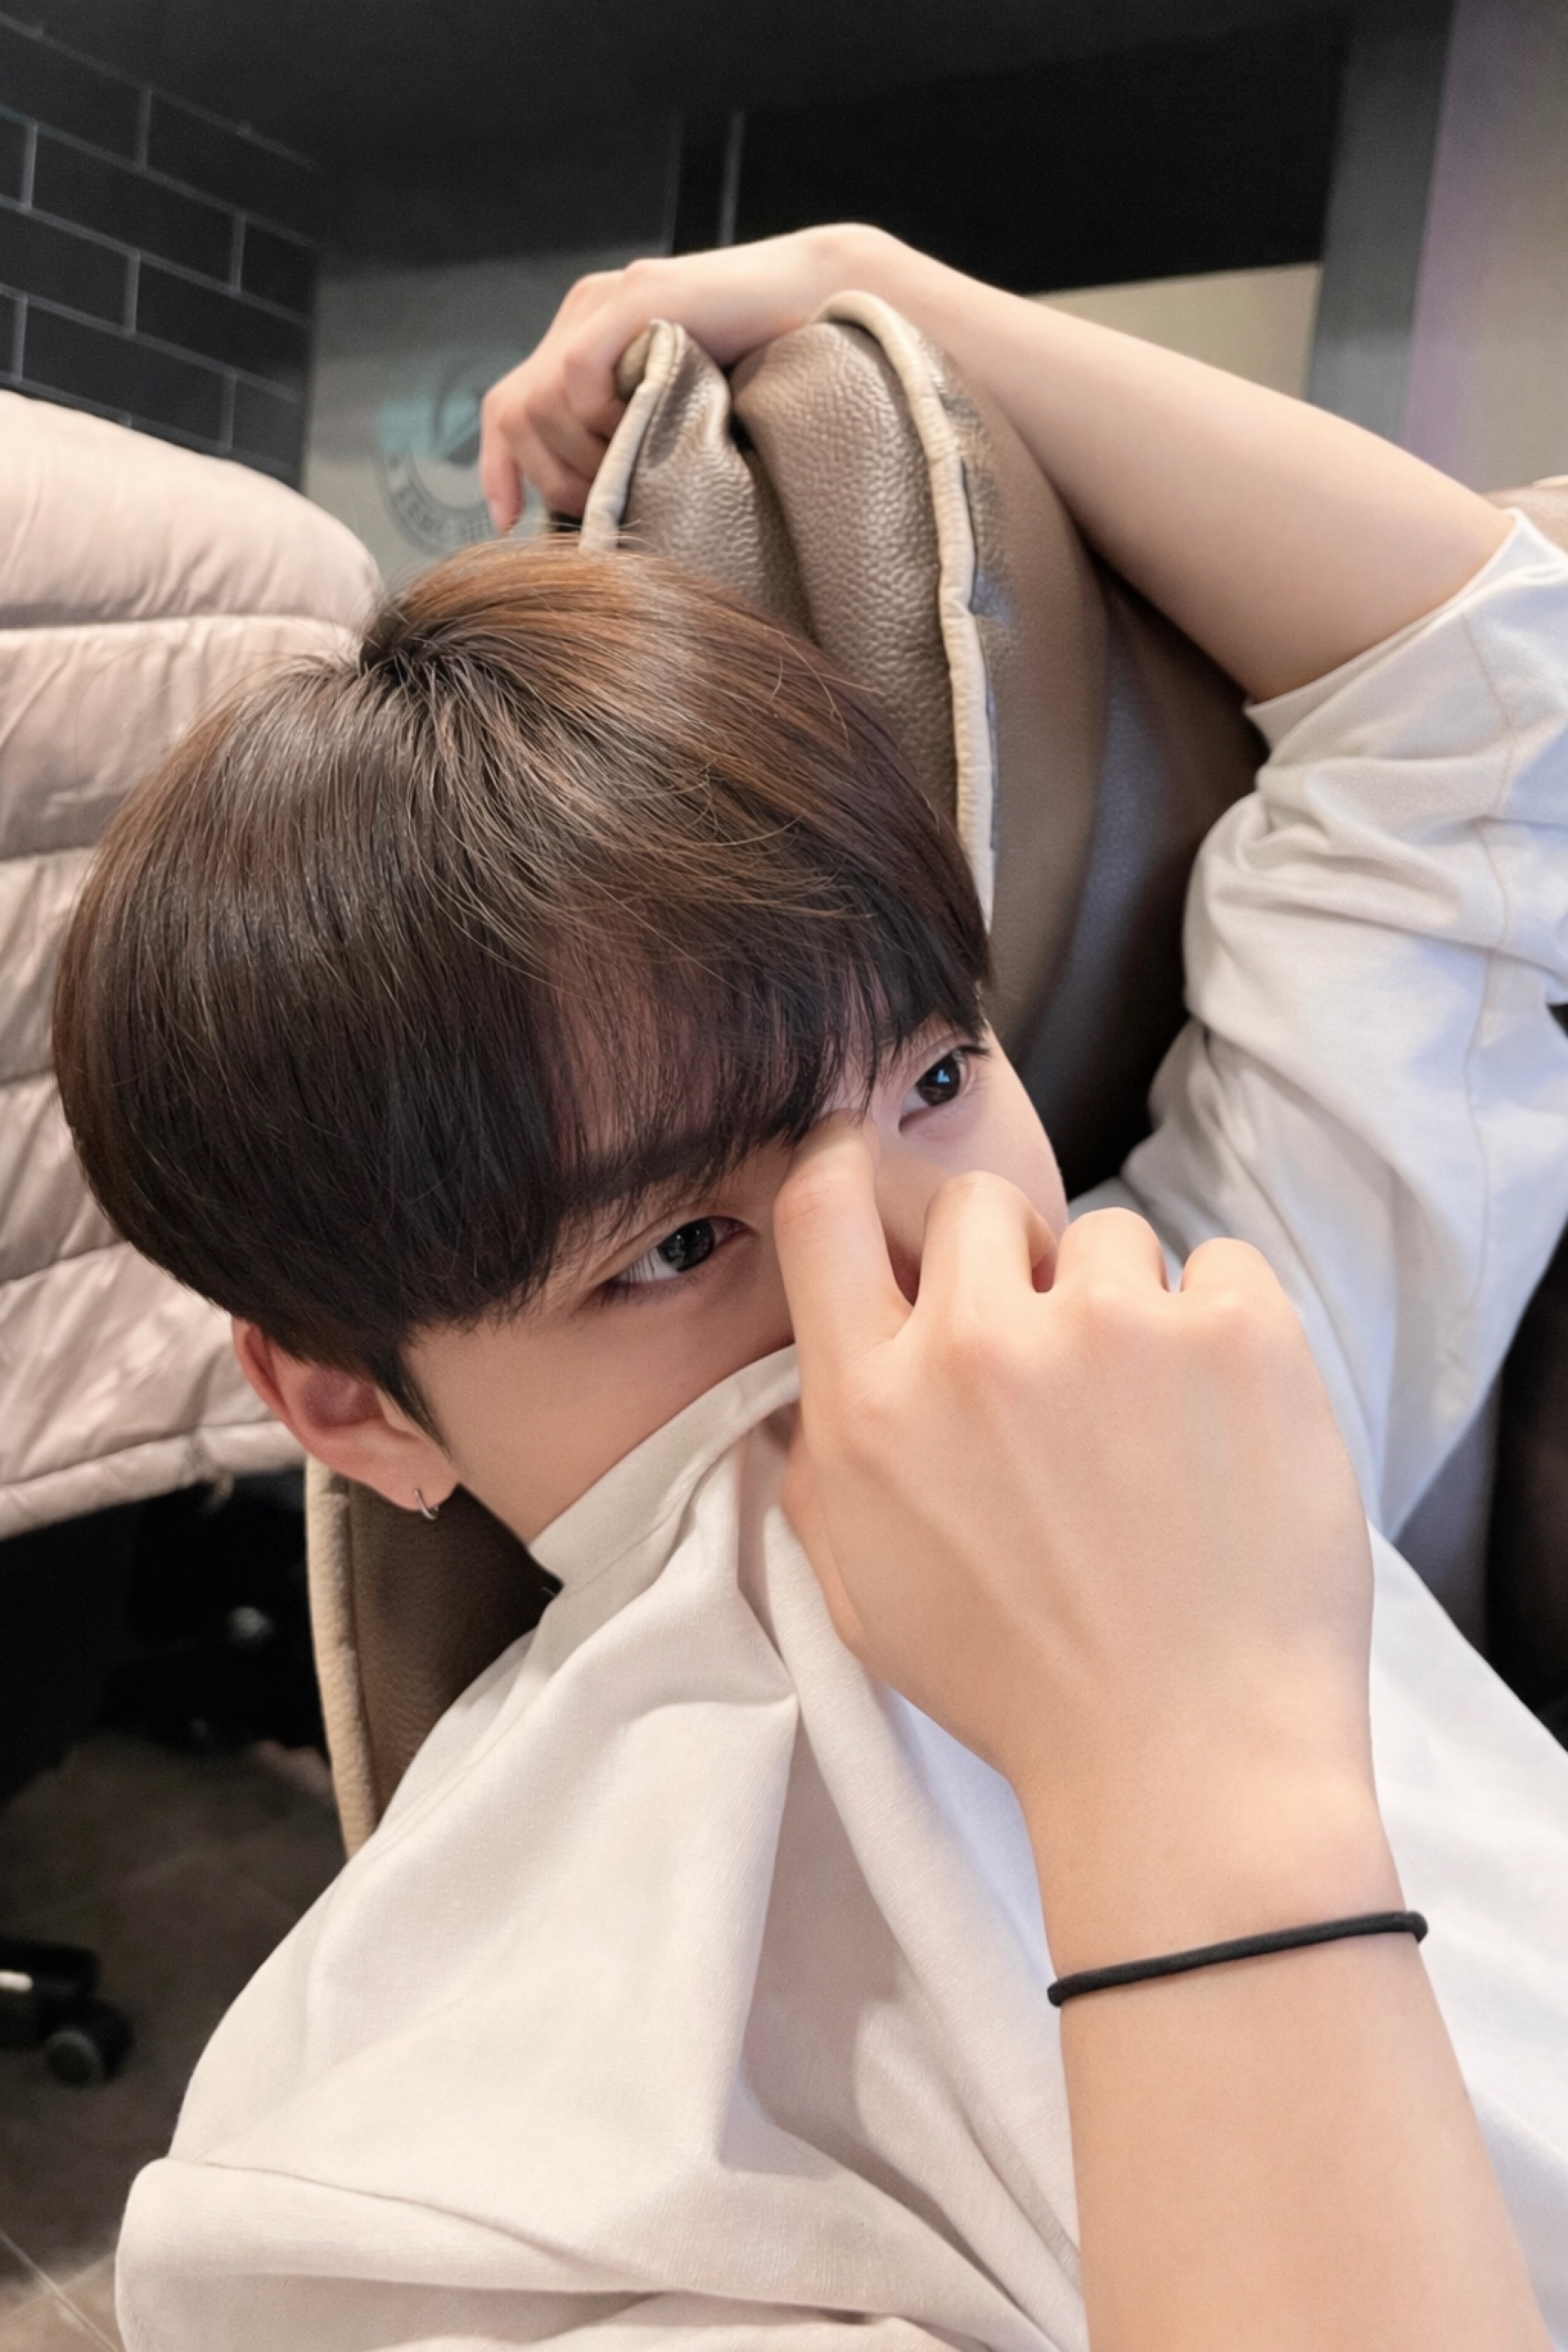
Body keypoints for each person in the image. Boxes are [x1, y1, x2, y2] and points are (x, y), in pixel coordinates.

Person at [53, 225, 1568, 2350]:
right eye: (677, 1246)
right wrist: (1179, 1772)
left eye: (939, 1076)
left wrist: (875, 282)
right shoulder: (448, 2171)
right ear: (352, 1406)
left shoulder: (1194, 1340)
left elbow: (1475, 698)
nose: (920, 1261)